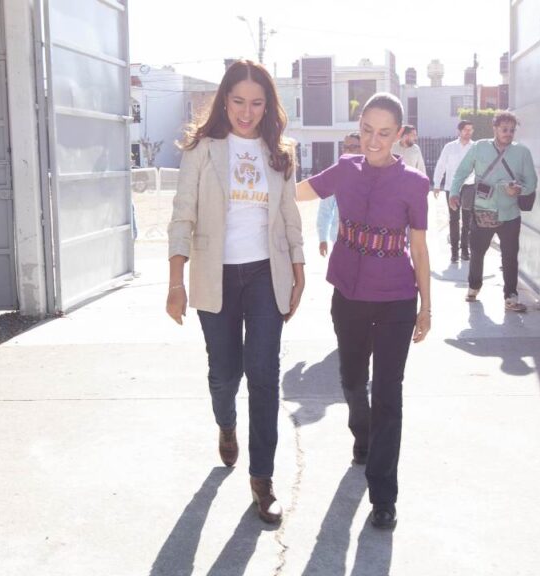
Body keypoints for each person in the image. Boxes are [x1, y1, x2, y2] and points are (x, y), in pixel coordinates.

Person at [166, 59, 306, 523]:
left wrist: (299, 266)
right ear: (224, 100)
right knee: (225, 375)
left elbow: (289, 215)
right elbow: (183, 214)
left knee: (264, 376)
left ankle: (262, 480)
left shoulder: (279, 151)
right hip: (216, 276)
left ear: (269, 106)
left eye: (257, 103)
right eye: (239, 101)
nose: (247, 112)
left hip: (267, 275)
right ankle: (226, 424)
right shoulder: (203, 149)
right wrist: (175, 282)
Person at [296, 93, 431, 530]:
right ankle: (362, 434)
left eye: (385, 133)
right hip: (349, 296)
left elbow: (419, 247)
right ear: (359, 127)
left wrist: (427, 305)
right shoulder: (345, 170)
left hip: (396, 300)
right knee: (353, 382)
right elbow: (297, 192)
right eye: (367, 130)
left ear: (400, 135)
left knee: (389, 393)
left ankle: (384, 495)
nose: (374, 141)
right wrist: (256, 186)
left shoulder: (414, 183)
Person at [449, 110, 536, 312]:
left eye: (512, 130)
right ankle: (474, 285)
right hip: (482, 210)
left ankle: (511, 296)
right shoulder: (480, 147)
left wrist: (519, 189)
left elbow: (531, 182)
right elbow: (462, 172)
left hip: (510, 213)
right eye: (504, 129)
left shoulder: (522, 152)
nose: (508, 133)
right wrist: (454, 192)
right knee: (477, 252)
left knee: (510, 255)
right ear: (495, 128)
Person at [433, 120, 476, 262]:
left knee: (467, 219)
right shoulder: (449, 147)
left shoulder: (475, 147)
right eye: (466, 130)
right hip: (452, 188)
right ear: (459, 131)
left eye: (470, 130)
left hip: (469, 186)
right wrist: (437, 183)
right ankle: (454, 253)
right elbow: (441, 165)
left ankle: (465, 250)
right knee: (453, 219)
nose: (468, 133)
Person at [316, 132, 362, 257]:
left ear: (363, 148)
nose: (348, 151)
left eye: (352, 147)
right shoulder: (336, 174)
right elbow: (325, 211)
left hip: (365, 243)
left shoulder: (373, 175)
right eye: (345, 147)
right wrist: (322, 238)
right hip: (339, 240)